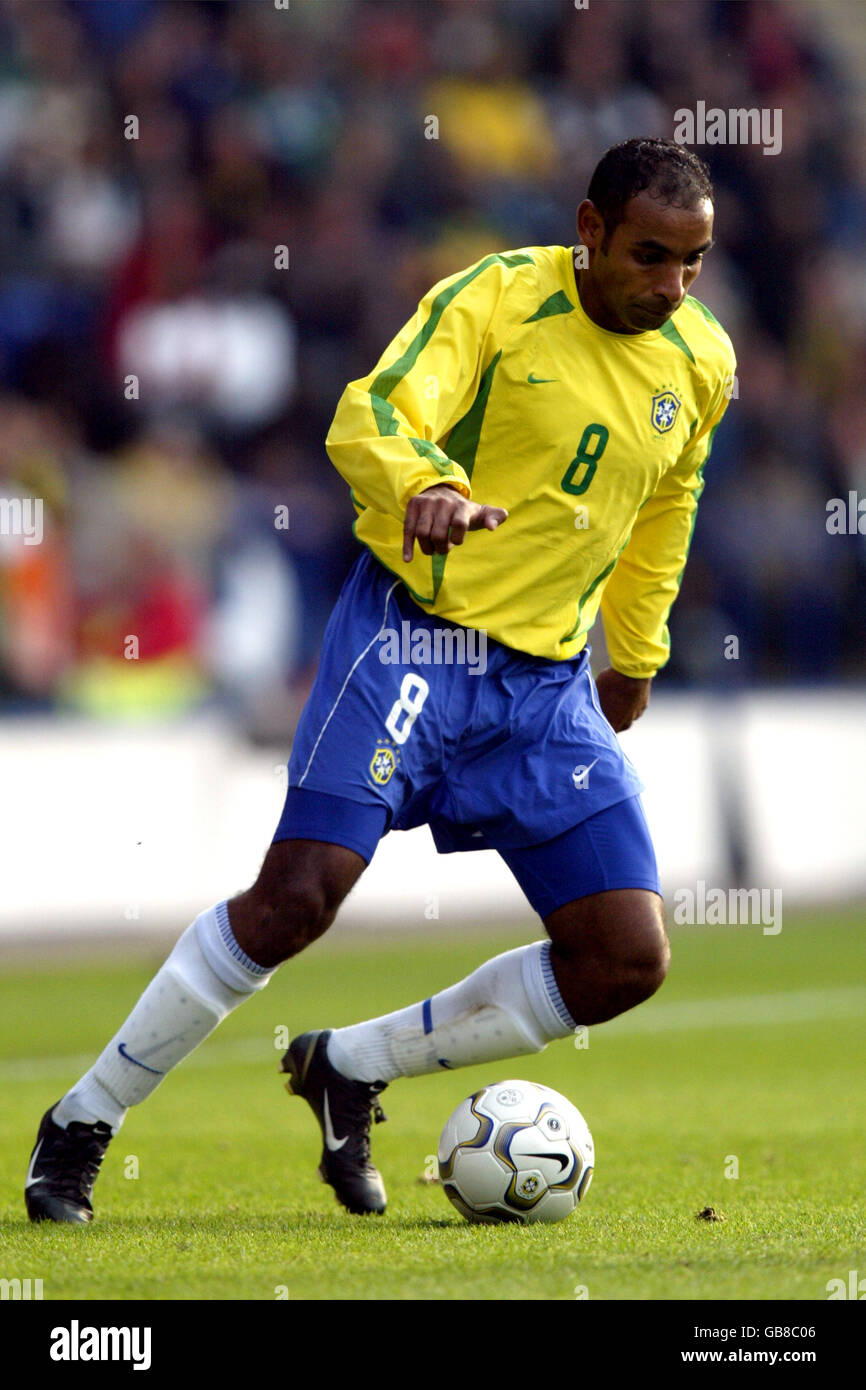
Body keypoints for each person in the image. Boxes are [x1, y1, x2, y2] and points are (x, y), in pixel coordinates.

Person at [25, 138, 735, 1222]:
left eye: (692, 264)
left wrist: (632, 656)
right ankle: (82, 1121)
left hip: (543, 686)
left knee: (622, 959)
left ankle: (349, 1066)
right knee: (294, 900)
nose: (670, 287)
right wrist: (429, 481)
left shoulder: (700, 361)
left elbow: (665, 510)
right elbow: (366, 415)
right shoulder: (496, 301)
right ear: (588, 229)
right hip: (414, 639)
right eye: (648, 257)